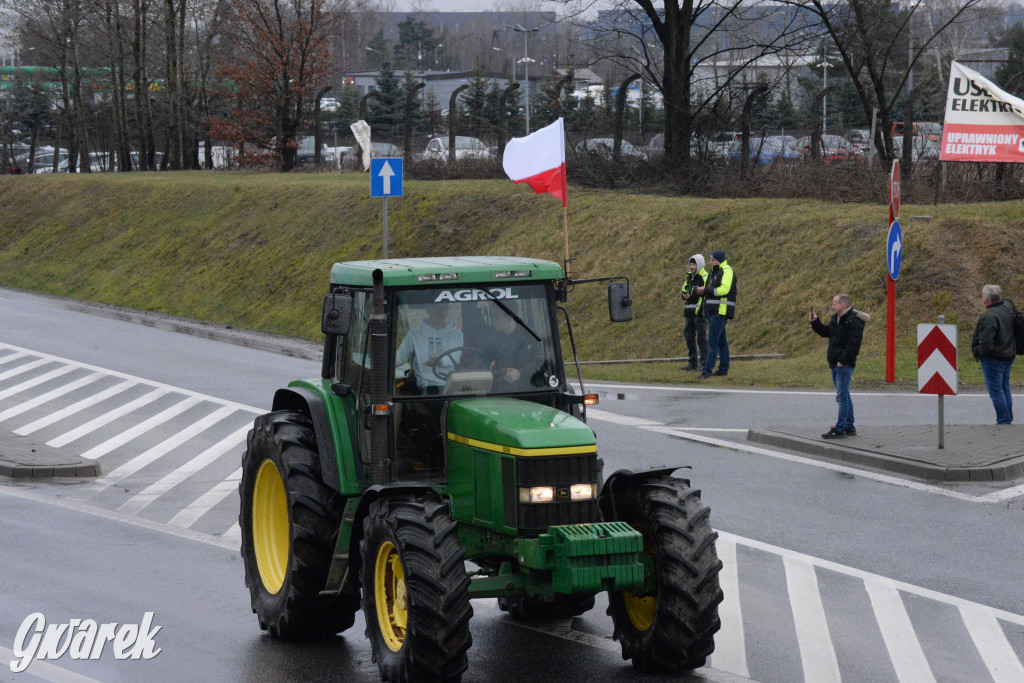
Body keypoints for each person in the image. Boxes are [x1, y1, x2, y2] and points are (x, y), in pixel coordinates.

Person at [810, 294, 868, 439]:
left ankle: (840, 429)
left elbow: (853, 345)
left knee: (841, 397)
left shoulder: (854, 321)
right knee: (845, 395)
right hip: (835, 363)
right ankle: (850, 427)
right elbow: (826, 332)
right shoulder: (837, 319)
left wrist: (842, 361)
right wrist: (815, 321)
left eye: (834, 303)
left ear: (843, 305)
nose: (832, 306)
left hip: (843, 364)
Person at [971, 284, 1016, 425]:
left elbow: (986, 342)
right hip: (1008, 354)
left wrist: (980, 353)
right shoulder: (1008, 307)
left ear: (986, 298)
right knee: (1004, 388)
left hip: (994, 358)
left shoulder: (989, 316)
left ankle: (1003, 420)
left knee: (996, 391)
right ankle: (1007, 418)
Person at [395, 304, 463, 395]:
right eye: (439, 309)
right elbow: (400, 357)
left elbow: (455, 356)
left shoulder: (456, 334)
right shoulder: (414, 335)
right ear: (429, 310)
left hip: (450, 386)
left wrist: (440, 361)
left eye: (445, 309)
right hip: (425, 388)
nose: (443, 313)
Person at [696, 250, 736, 378]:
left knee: (712, 342)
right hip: (714, 311)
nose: (710, 262)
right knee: (721, 343)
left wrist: (706, 290)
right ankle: (723, 369)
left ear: (719, 259)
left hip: (720, 311)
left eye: (713, 260)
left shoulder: (727, 271)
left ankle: (707, 371)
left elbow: (724, 290)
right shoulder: (715, 272)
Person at [484, 311, 544, 392]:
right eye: (493, 317)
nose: (493, 320)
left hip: (528, 390)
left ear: (510, 318)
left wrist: (520, 373)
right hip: (499, 391)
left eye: (497, 317)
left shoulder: (529, 335)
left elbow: (540, 361)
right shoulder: (491, 336)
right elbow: (484, 359)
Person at [680, 254, 708, 371]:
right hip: (689, 312)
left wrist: (692, 293)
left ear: (699, 264)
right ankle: (692, 362)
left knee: (701, 339)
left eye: (694, 264)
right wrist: (684, 295)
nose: (691, 267)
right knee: (689, 337)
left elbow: (706, 291)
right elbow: (684, 289)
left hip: (700, 312)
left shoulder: (705, 276)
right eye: (690, 264)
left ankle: (704, 363)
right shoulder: (689, 277)